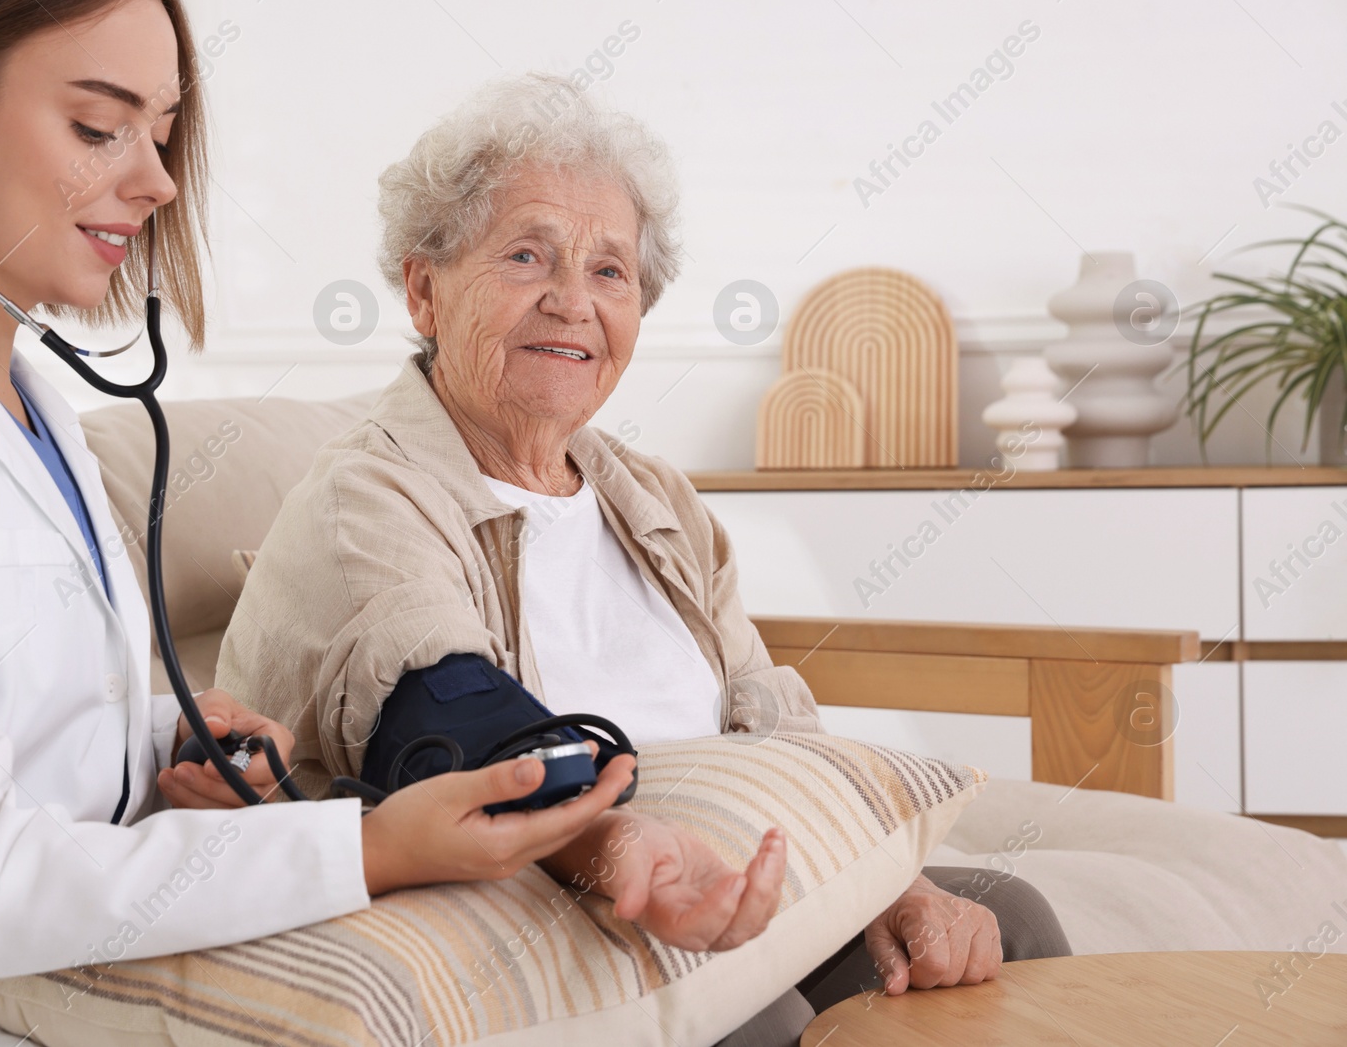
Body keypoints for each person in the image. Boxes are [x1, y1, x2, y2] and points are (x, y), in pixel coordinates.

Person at [0, 0, 637, 1045]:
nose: (158, 179)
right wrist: (368, 846)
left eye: (162, 134)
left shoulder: (33, 406)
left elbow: (10, 728)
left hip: (67, 986)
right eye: (97, 126)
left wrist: (170, 736)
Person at [218, 73, 1072, 1045]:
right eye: (526, 254)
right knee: (764, 1016)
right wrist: (621, 845)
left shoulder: (652, 498)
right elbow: (445, 720)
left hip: (719, 873)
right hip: (519, 894)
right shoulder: (367, 496)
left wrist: (883, 878)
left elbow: (767, 711)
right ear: (424, 288)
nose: (570, 302)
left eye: (610, 271)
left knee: (1014, 925)